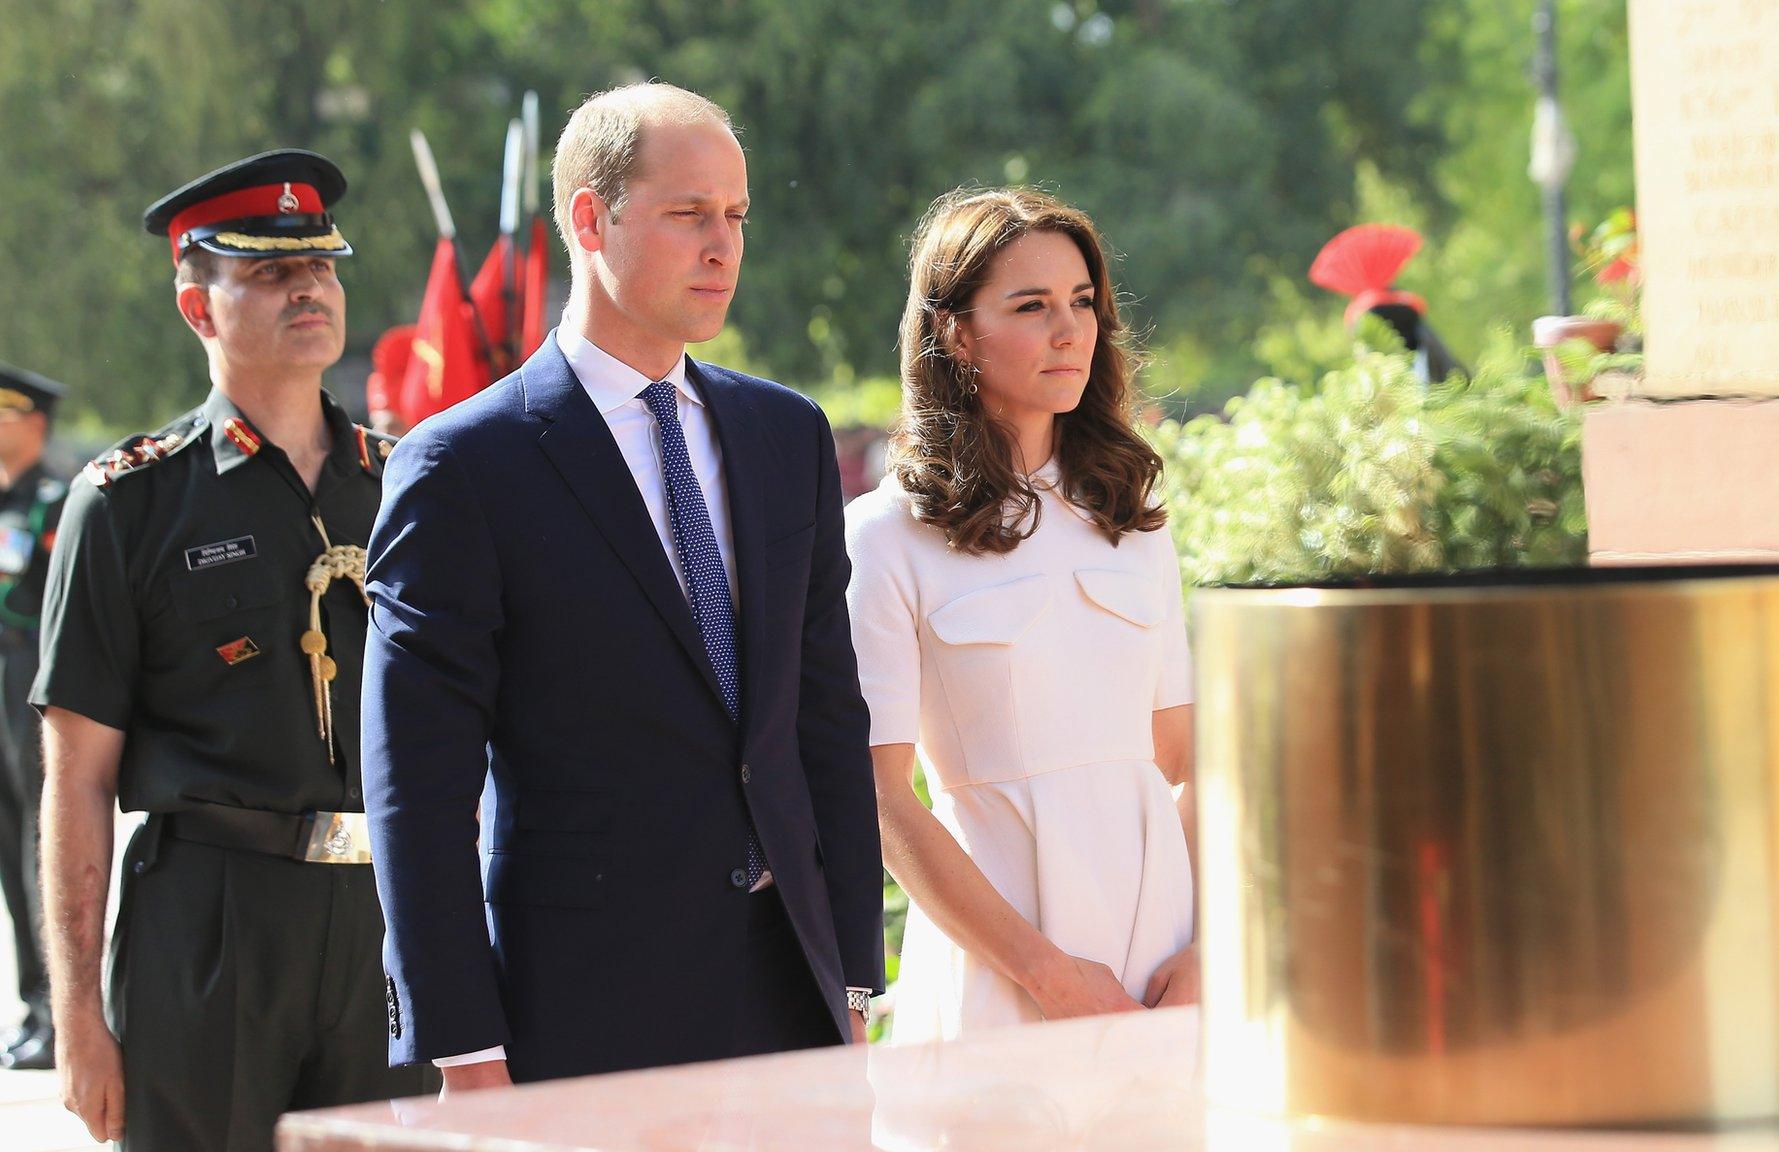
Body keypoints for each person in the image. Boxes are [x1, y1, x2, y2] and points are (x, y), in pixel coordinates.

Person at [363, 82, 884, 1089]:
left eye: (735, 216)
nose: (722, 245)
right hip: (580, 1019)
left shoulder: (786, 438)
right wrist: (466, 1049)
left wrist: (854, 982)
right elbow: (417, 791)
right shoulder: (461, 467)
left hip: (794, 999)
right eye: (689, 213)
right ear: (588, 218)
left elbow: (823, 722)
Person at [33, 150, 434, 1149]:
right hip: (209, 917)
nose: (308, 286)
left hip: (386, 919)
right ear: (196, 309)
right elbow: (75, 778)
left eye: (322, 266)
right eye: (265, 271)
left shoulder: (411, 485)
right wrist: (78, 1016)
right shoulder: (127, 502)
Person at [845, 188, 1198, 1041]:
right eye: (1031, 306)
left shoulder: (1135, 518)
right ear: (955, 333)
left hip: (1167, 973)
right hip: (998, 976)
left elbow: (1187, 761)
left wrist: (1200, 958)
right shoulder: (884, 537)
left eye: (1082, 303)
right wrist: (1043, 972)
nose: (1070, 330)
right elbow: (879, 797)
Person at [0, 365, 66, 1071]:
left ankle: (57, 1010)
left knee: (36, 845)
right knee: (6, 851)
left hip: (28, 678)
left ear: (35, 422)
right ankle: (30, 1007)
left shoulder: (53, 503)